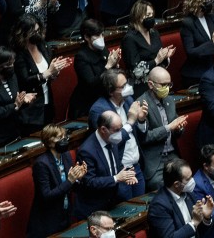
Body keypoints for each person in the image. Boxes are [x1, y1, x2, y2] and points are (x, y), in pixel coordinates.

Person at [86, 71, 146, 200]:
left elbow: (139, 134)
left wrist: (141, 120)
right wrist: (130, 121)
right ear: (110, 91)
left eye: (127, 83)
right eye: (123, 86)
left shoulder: (129, 100)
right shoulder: (99, 110)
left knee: (142, 210)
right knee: (126, 213)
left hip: (136, 166)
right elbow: (112, 140)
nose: (128, 88)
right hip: (119, 170)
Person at [12, 15, 71, 134]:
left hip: (47, 102)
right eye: (33, 31)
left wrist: (54, 71)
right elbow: (24, 80)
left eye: (38, 30)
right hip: (31, 110)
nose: (37, 34)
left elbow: (49, 73)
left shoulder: (43, 46)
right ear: (23, 33)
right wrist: (47, 73)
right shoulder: (18, 54)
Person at [72, 110, 135, 218]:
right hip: (94, 209)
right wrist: (116, 178)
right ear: (103, 129)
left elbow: (114, 165)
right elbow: (89, 182)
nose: (120, 134)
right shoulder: (86, 151)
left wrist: (127, 174)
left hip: (112, 202)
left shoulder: (112, 140)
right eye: (117, 130)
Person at [137, 66, 187, 190]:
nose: (167, 88)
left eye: (169, 84)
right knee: (162, 186)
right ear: (150, 84)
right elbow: (144, 137)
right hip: (155, 161)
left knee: (187, 181)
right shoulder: (141, 104)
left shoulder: (169, 100)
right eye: (163, 84)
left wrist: (179, 128)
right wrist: (169, 127)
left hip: (172, 155)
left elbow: (176, 132)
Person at [0, 46, 35, 148]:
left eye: (13, 63)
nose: (12, 66)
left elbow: (16, 100)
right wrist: (15, 105)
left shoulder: (12, 76)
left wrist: (24, 100)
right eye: (8, 64)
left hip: (14, 132)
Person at [146, 157, 214, 238]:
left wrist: (206, 217)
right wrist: (194, 222)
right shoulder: (159, 206)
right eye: (188, 179)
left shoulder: (189, 194)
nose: (193, 180)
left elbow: (200, 232)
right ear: (177, 184)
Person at [121, 0, 174, 95]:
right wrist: (156, 60)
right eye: (148, 15)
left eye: (152, 15)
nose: (151, 17)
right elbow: (135, 72)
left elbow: (160, 60)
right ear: (138, 16)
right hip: (141, 88)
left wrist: (165, 57)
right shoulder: (129, 39)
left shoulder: (154, 33)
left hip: (158, 83)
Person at [69, 19, 119, 119]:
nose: (101, 38)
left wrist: (115, 65)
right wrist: (108, 66)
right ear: (87, 37)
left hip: (105, 96)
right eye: (97, 35)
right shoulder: (81, 57)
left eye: (102, 34)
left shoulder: (103, 50)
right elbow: (91, 83)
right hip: (88, 103)